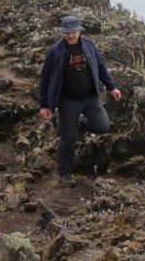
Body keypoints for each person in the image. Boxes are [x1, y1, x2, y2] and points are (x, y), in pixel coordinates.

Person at [38, 15, 122, 187]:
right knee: (67, 139)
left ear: (79, 31)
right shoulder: (55, 51)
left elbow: (100, 66)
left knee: (103, 126)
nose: (71, 35)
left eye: (74, 31)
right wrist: (44, 105)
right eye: (67, 32)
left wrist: (111, 87)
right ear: (63, 33)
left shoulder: (89, 46)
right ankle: (64, 174)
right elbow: (45, 78)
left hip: (90, 98)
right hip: (68, 102)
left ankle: (81, 124)